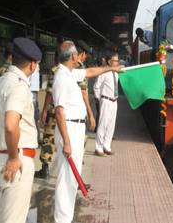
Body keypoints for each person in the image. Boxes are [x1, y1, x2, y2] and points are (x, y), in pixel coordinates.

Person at [53, 41, 123, 223]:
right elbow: (59, 112)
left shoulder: (69, 73)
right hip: (68, 129)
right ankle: (61, 219)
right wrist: (67, 141)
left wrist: (111, 69)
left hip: (75, 128)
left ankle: (65, 217)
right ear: (73, 56)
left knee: (72, 177)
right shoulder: (61, 77)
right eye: (78, 54)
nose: (80, 57)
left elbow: (90, 72)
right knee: (66, 177)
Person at [0, 37, 42, 223]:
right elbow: (11, 124)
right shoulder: (19, 85)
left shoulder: (2, 80)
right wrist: (14, 157)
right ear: (32, 65)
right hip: (15, 160)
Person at [34, 59, 59, 179]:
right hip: (69, 113)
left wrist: (44, 110)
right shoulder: (78, 70)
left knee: (48, 138)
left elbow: (49, 93)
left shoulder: (55, 70)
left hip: (54, 110)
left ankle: (45, 169)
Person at [93, 51, 119, 156]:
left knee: (111, 125)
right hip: (106, 100)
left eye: (118, 60)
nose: (117, 62)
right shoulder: (103, 72)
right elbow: (96, 86)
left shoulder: (116, 73)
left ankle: (106, 146)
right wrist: (99, 99)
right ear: (109, 61)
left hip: (114, 101)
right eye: (115, 61)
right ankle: (98, 148)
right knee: (102, 124)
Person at [75, 40, 96, 132]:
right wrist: (90, 114)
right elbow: (83, 93)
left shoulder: (68, 65)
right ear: (83, 53)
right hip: (78, 108)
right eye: (86, 54)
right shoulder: (80, 67)